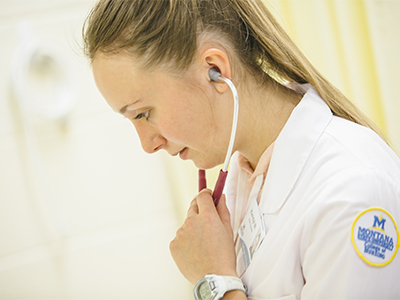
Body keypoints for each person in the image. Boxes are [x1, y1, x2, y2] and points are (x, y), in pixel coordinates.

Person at [82, 0, 400, 299]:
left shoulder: (353, 191)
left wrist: (216, 281)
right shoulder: (244, 179)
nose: (147, 144)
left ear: (214, 69)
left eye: (143, 113)